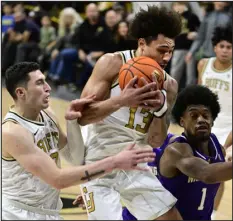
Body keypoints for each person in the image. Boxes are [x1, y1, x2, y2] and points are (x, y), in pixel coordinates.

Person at [66, 6, 182, 220]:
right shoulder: (112, 63)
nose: (167, 57)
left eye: (171, 50)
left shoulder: (170, 86)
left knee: (171, 218)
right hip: (99, 162)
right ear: (142, 43)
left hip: (135, 163)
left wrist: (160, 110)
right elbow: (82, 117)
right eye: (161, 50)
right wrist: (121, 100)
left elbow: (156, 141)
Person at [2, 62, 156, 220]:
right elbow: (58, 179)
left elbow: (74, 158)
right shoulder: (13, 132)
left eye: (45, 81)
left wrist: (72, 122)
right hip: (17, 214)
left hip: (49, 211)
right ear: (21, 92)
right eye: (40, 83)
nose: (48, 87)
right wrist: (114, 162)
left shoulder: (47, 114)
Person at [123, 85, 232, 220]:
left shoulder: (218, 149)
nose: (201, 120)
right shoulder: (176, 151)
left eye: (205, 115)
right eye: (194, 116)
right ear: (182, 121)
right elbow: (206, 173)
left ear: (212, 120)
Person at [197, 26, 232, 218]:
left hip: (229, 128)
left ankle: (213, 215)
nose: (226, 50)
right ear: (215, 47)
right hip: (205, 126)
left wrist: (227, 144)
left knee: (219, 174)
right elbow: (197, 96)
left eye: (229, 47)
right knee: (197, 172)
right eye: (222, 46)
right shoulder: (203, 64)